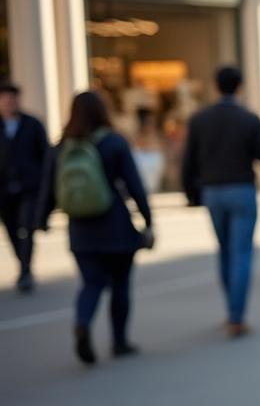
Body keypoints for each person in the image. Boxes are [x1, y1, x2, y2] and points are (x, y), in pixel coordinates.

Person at [38, 91, 153, 365]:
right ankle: (119, 340)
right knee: (120, 286)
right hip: (116, 228)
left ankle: (83, 322)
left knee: (90, 283)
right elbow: (134, 184)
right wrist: (148, 220)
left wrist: (39, 219)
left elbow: (49, 189)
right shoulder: (114, 142)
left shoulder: (62, 146)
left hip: (81, 231)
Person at [182, 66, 260, 338]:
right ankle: (236, 316)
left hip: (213, 192)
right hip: (242, 190)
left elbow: (189, 161)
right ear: (241, 86)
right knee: (241, 254)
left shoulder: (200, 119)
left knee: (224, 250)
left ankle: (230, 310)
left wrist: (191, 194)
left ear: (215, 86)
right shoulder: (248, 119)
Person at [0, 82, 49, 292]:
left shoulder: (33, 124)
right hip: (3, 189)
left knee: (27, 228)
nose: (10, 103)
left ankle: (26, 269)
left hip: (29, 187)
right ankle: (23, 264)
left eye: (14, 98)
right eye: (6, 99)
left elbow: (45, 156)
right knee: (11, 229)